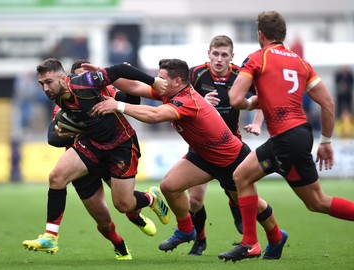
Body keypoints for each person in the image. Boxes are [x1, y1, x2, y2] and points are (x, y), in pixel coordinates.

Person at [90, 58, 286, 260]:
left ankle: (277, 237)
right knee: (169, 186)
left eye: (162, 78)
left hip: (230, 159)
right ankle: (186, 230)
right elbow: (133, 85)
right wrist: (100, 74)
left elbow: (155, 115)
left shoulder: (188, 101)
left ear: (177, 81)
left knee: (254, 205)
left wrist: (119, 106)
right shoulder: (168, 91)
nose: (157, 81)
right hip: (202, 155)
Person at [218, 11, 354, 262]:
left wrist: (253, 104)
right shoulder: (300, 62)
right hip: (300, 134)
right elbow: (328, 104)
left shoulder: (258, 59)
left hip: (285, 138)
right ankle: (254, 243)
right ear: (283, 35)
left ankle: (251, 244)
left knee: (314, 201)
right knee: (245, 177)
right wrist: (325, 141)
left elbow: (235, 99)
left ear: (260, 34)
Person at [22, 58, 170, 256]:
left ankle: (151, 198)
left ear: (64, 78)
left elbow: (118, 69)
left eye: (48, 82)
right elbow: (54, 135)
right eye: (42, 84)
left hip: (120, 144)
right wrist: (62, 132)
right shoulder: (57, 98)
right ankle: (50, 236)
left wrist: (153, 81)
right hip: (92, 144)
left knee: (123, 204)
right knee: (56, 177)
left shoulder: (85, 82)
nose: (45, 88)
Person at [186, 35, 264, 256]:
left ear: (232, 57)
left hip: (231, 148)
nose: (219, 59)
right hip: (201, 146)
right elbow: (178, 101)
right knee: (194, 199)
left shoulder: (241, 75)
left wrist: (257, 123)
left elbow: (262, 98)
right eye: (215, 54)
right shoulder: (195, 74)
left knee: (237, 193)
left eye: (224, 55)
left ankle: (238, 211)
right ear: (208, 53)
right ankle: (200, 239)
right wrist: (200, 104)